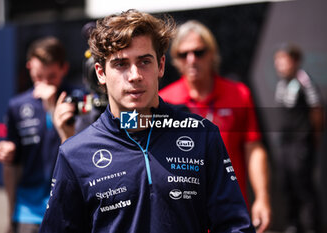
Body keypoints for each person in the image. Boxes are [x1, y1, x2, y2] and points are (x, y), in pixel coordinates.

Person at [39, 9, 255, 232]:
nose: (135, 75)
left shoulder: (202, 135)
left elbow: (235, 225)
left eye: (144, 62)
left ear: (160, 66)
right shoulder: (75, 153)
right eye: (121, 64)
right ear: (101, 73)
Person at [159, 20, 271, 232]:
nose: (192, 60)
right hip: (184, 216)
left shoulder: (238, 94)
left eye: (199, 52)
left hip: (230, 213)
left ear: (212, 54)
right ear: (175, 60)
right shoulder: (163, 101)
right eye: (184, 54)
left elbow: (253, 148)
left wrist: (262, 198)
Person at [0, 36, 70, 233]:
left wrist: (52, 107)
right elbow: (12, 166)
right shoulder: (17, 106)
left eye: (51, 77)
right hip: (28, 212)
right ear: (29, 67)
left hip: (68, 209)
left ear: (64, 68)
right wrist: (11, 215)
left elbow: (77, 149)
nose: (44, 84)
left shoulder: (77, 100)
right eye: (38, 77)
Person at [274, 43, 323, 233]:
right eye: (277, 60)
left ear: (295, 61)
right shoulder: (282, 83)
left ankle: (313, 226)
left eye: (283, 60)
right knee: (287, 185)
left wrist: (313, 139)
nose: (279, 64)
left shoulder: (305, 81)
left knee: (304, 186)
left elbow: (317, 109)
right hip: (286, 144)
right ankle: (293, 224)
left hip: (301, 144)